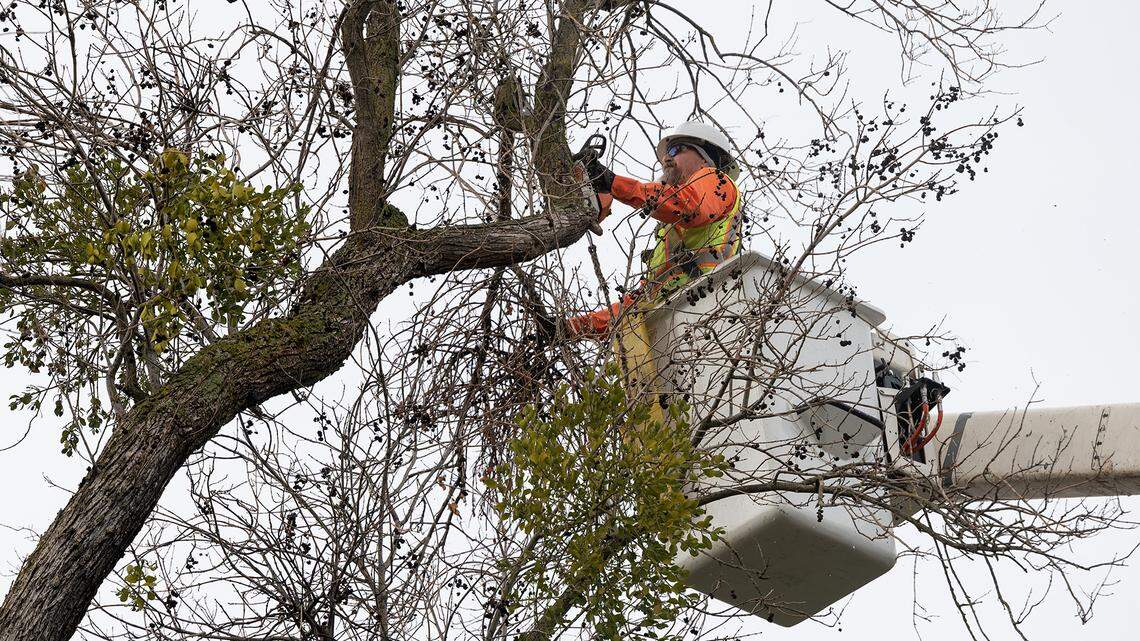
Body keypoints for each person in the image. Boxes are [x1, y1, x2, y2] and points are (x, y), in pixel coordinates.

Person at [567, 121, 743, 337]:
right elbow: (637, 302)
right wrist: (572, 328)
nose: (666, 158)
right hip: (672, 321)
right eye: (666, 153)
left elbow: (688, 205)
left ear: (705, 159)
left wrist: (613, 183)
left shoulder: (717, 182)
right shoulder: (670, 233)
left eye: (677, 150)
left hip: (708, 309)